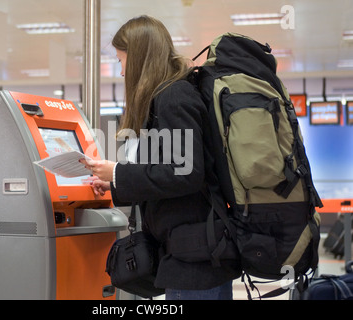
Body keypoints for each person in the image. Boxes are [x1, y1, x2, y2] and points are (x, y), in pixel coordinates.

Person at [80, 15, 240, 300]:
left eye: (121, 60)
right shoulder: (166, 97)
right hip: (189, 254)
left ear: (139, 57)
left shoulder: (174, 96)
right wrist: (114, 185)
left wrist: (116, 172)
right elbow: (164, 173)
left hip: (197, 262)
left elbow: (185, 173)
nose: (121, 71)